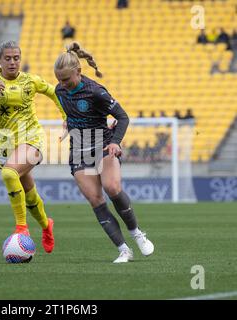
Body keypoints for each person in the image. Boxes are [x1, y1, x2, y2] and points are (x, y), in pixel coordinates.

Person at [54, 42, 154, 263]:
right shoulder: (59, 90)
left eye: (66, 79)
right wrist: (66, 125)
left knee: (112, 187)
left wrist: (116, 142)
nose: (62, 84)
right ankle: (123, 250)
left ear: (79, 72)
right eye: (59, 79)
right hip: (79, 150)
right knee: (96, 200)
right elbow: (68, 113)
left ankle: (137, 233)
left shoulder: (96, 92)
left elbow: (123, 117)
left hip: (103, 145)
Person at [0, 40, 66, 254]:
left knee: (9, 174)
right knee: (29, 193)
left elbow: (55, 92)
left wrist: (66, 116)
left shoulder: (30, 81)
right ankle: (47, 226)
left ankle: (22, 228)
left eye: (16, 58)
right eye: (8, 58)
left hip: (32, 139)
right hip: (5, 146)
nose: (13, 62)